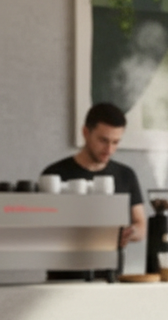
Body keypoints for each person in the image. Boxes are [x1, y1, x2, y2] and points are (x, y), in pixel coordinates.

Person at [42, 102, 146, 279]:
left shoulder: (126, 175)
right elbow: (42, 230)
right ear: (85, 132)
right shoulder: (54, 175)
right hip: (63, 279)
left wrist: (130, 233)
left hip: (110, 278)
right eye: (103, 140)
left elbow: (141, 225)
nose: (109, 149)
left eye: (115, 142)